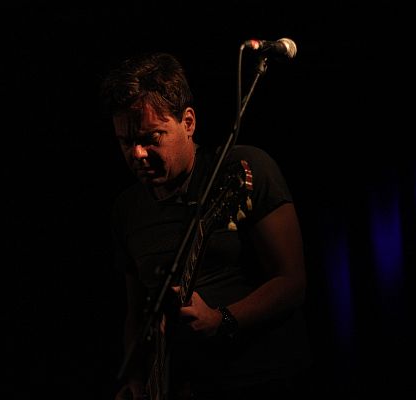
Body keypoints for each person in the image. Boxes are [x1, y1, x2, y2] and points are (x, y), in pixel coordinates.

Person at [100, 51, 312, 400]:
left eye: (152, 137)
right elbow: (136, 311)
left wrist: (222, 319)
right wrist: (137, 377)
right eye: (126, 142)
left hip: (262, 380)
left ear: (188, 122)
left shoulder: (244, 169)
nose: (137, 153)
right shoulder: (127, 209)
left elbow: (292, 282)